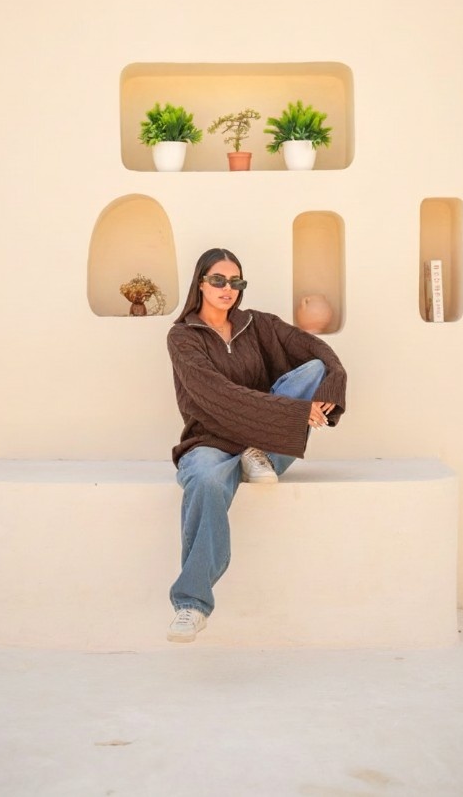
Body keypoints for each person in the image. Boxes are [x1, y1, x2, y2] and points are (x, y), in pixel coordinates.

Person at [166, 247, 347, 642]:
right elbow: (218, 397)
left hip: (265, 441)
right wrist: (293, 413)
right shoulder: (183, 337)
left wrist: (330, 387)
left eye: (236, 281)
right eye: (218, 280)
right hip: (210, 440)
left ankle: (256, 454)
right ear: (200, 283)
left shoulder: (258, 324)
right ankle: (191, 604)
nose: (227, 288)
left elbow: (320, 355)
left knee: (314, 370)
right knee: (206, 482)